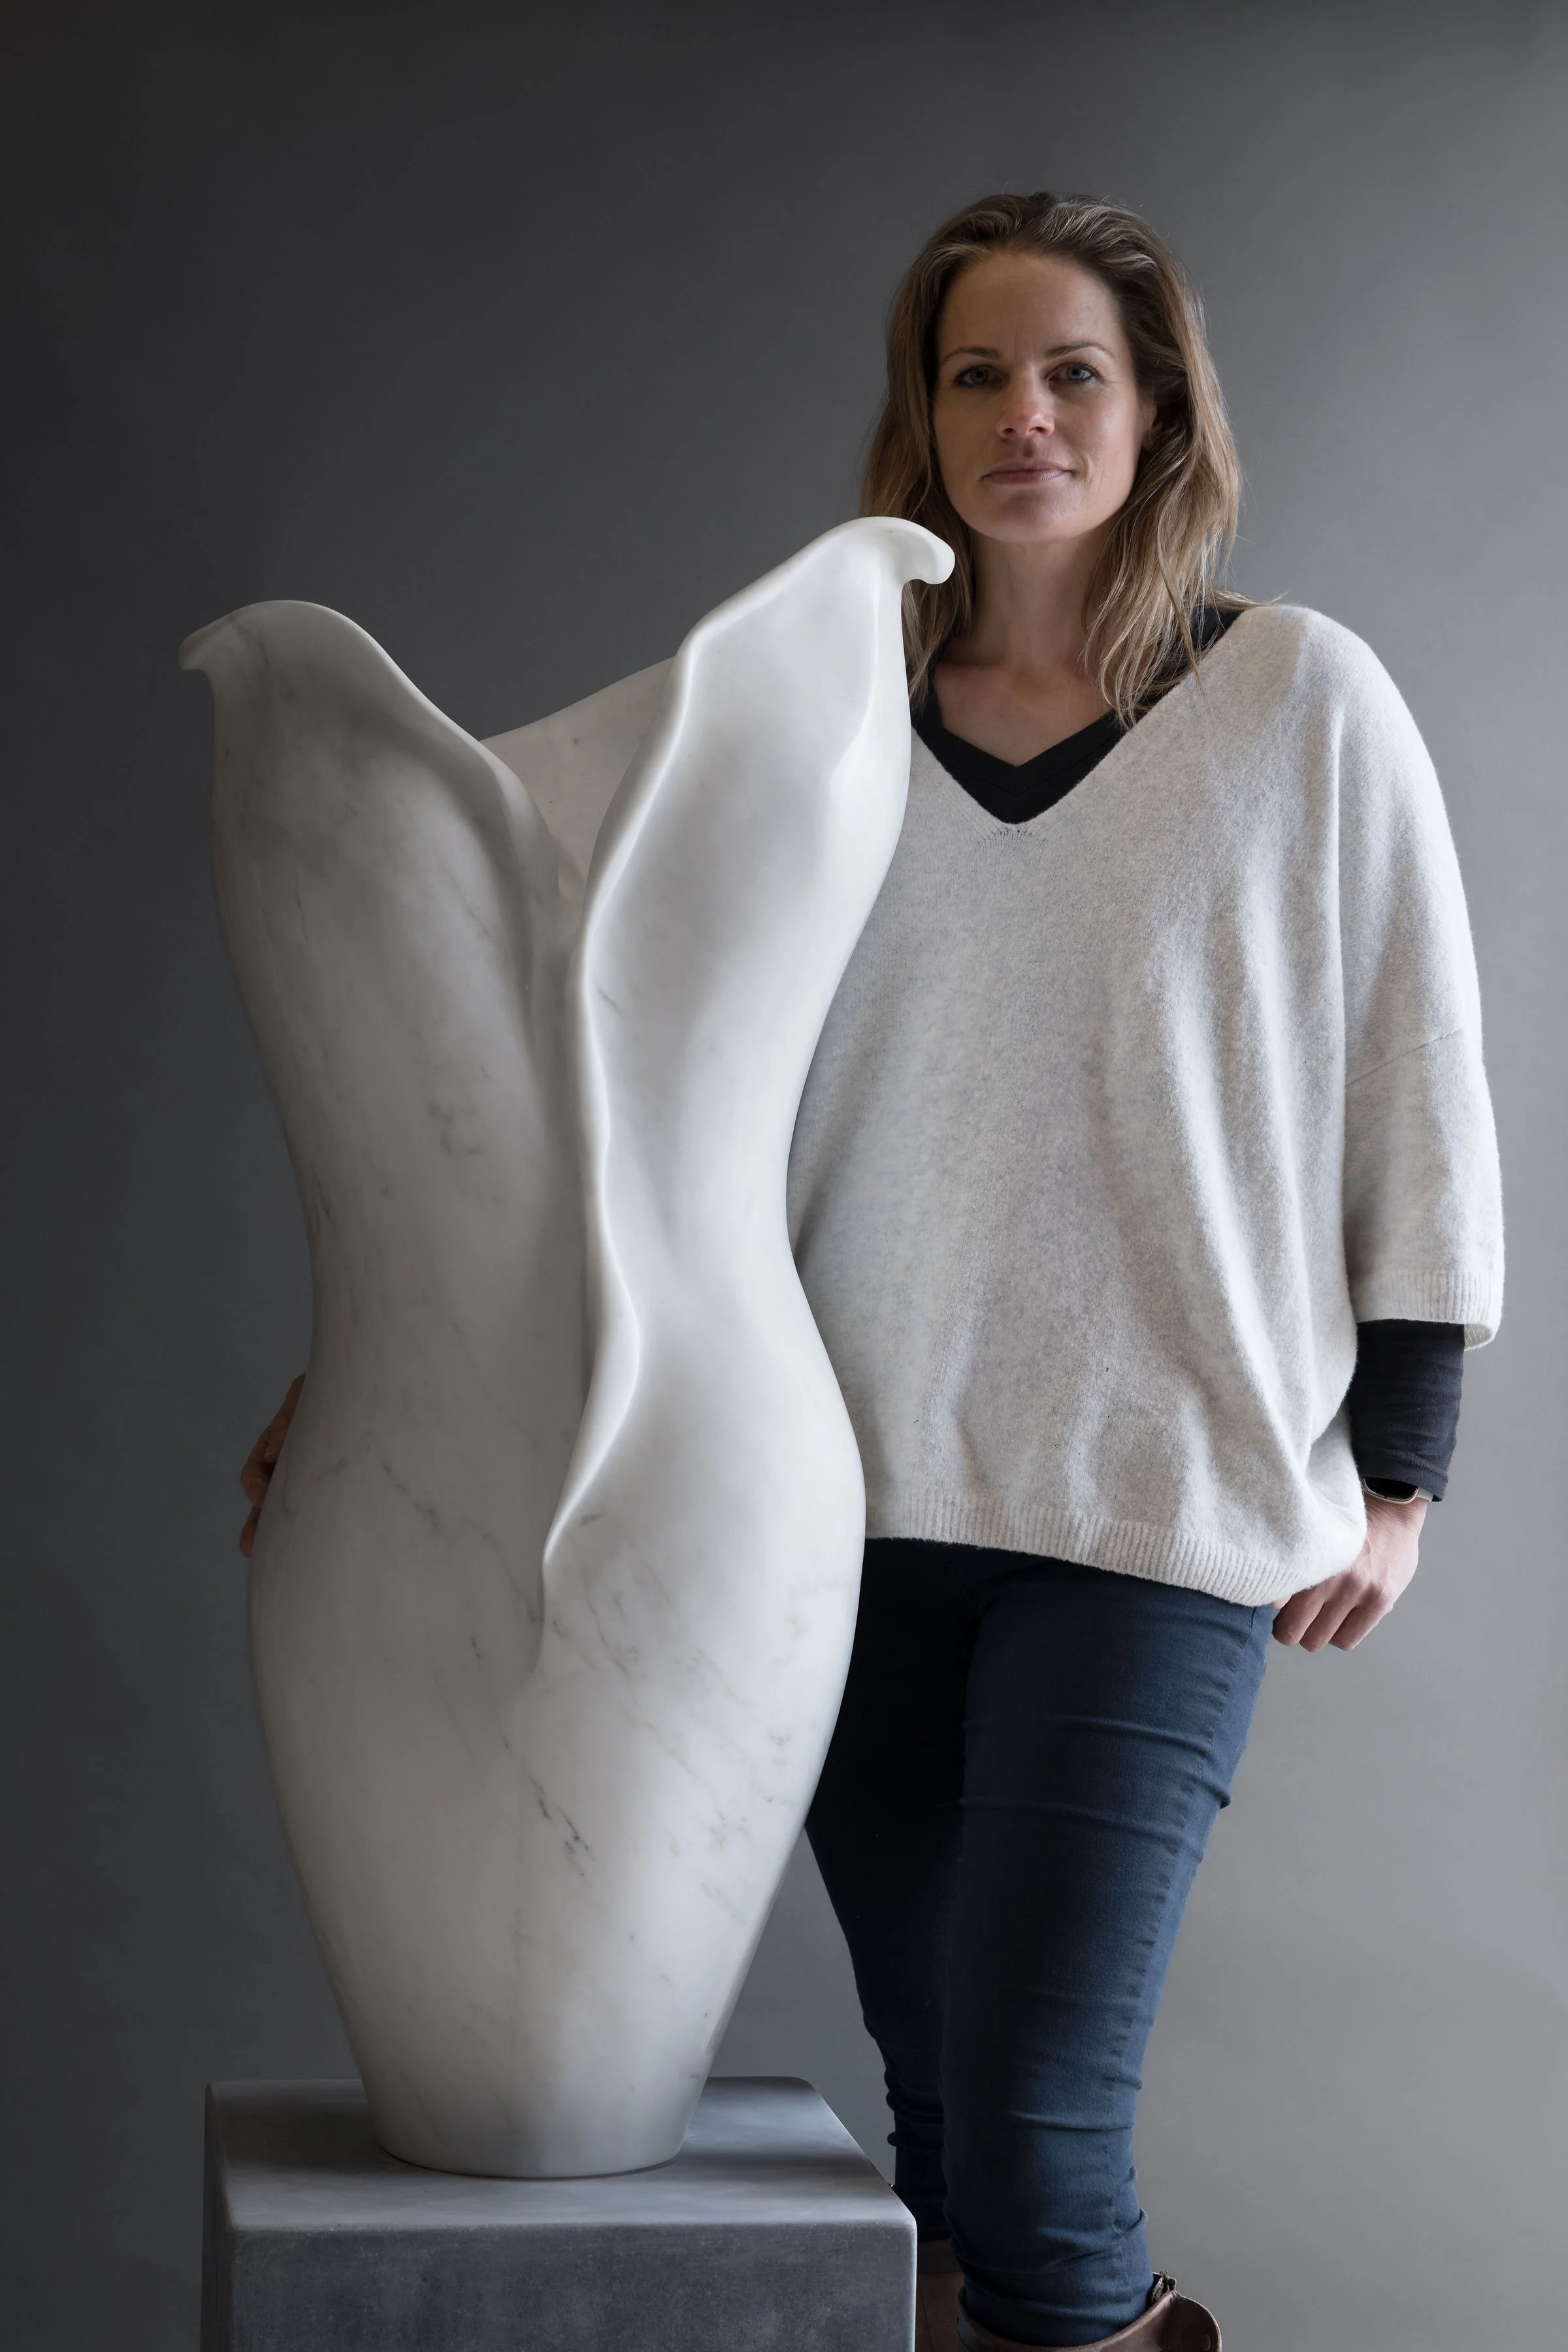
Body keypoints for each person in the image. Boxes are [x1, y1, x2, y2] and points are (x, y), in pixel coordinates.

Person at [240, 191, 1503, 2352]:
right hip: (839, 1515)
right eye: (977, 372)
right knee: (933, 2142)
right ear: (921, 419)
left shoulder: (1300, 699)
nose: (1026, 414)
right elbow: (574, 1044)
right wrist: (378, 1349)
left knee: (1034, 2137)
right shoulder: (818, 727)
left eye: (1075, 371)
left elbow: (1417, 1065)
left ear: (1159, 407)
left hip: (1154, 1506)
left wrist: (1405, 1461)